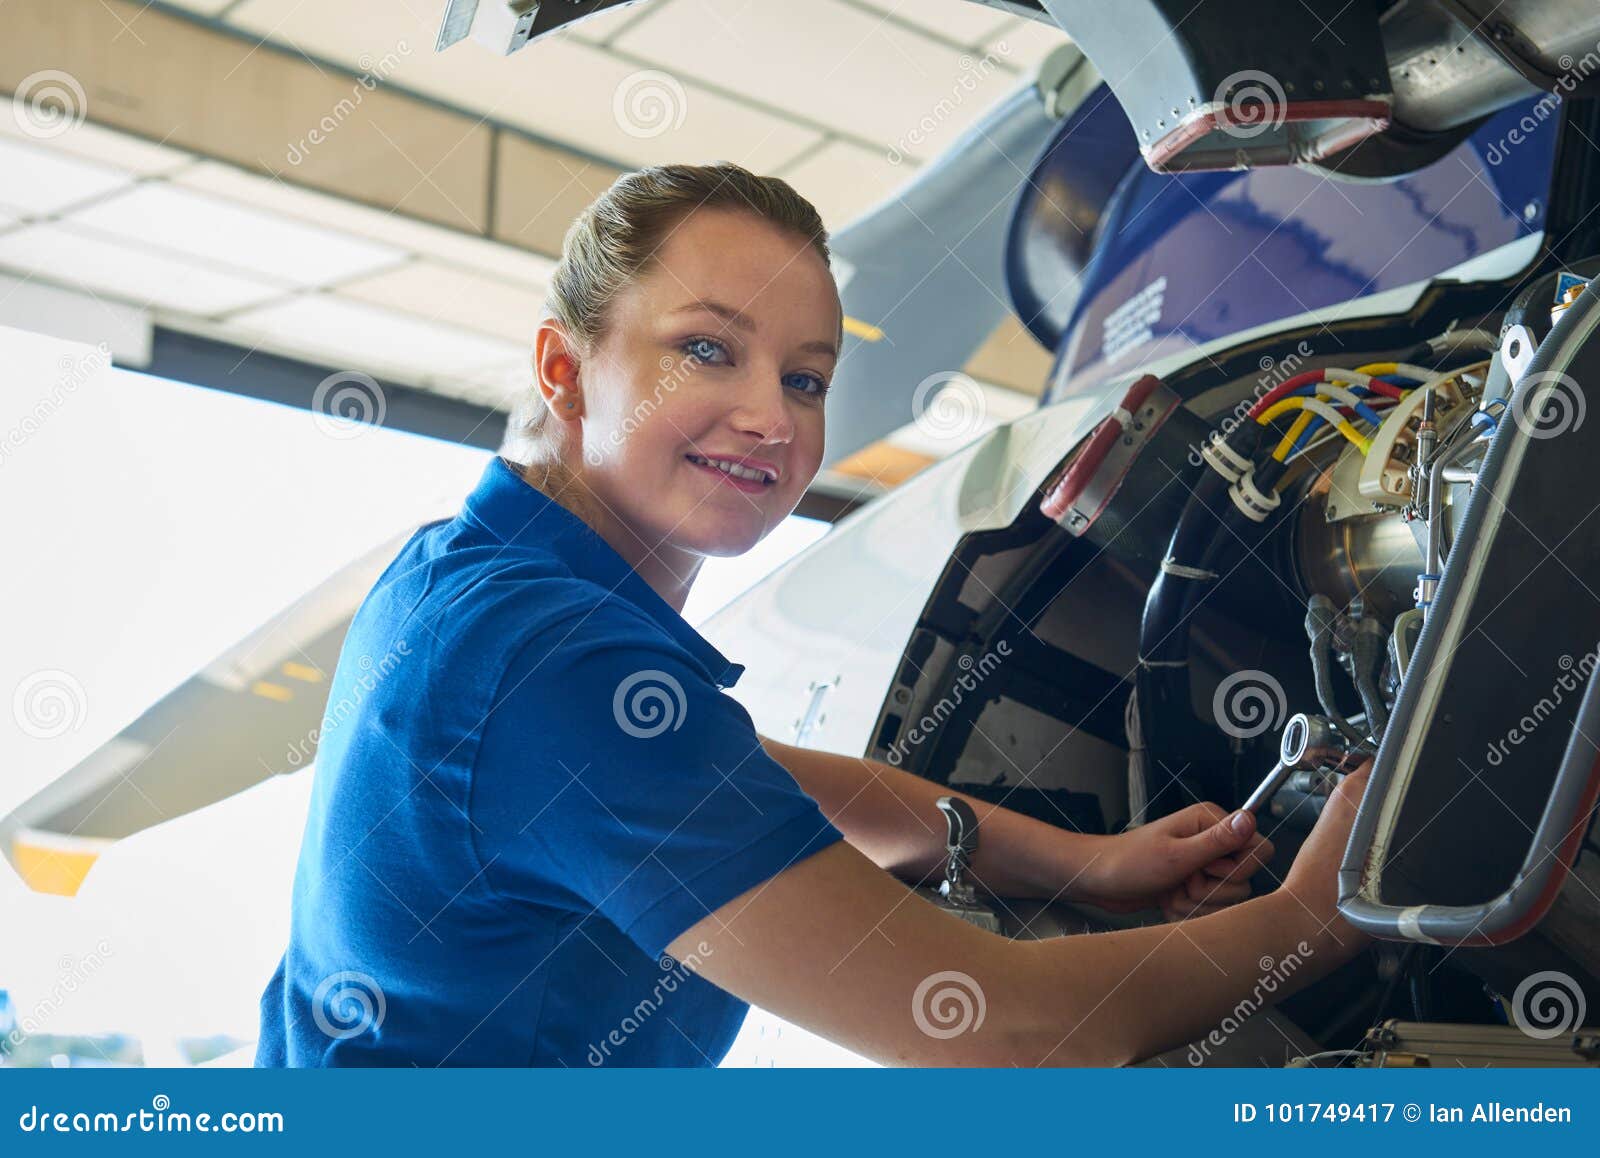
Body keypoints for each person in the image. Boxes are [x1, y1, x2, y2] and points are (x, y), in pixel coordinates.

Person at [255, 161, 1371, 1069]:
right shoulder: (553, 664)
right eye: (705, 349)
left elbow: (755, 776)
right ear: (563, 365)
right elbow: (1007, 1029)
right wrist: (1313, 919)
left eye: (805, 378)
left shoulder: (465, 576)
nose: (768, 419)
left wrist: (1075, 863)